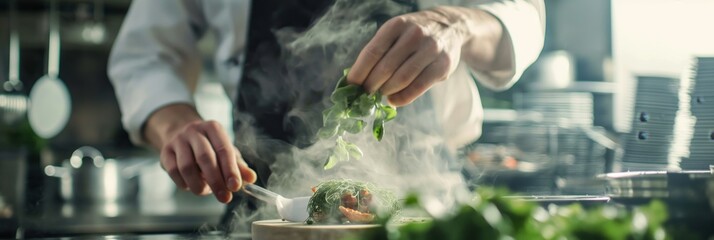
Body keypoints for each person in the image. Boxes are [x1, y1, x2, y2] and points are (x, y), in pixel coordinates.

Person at [108, 0, 544, 204]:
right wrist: (176, 124)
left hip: (428, 197)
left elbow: (524, 14)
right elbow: (143, 56)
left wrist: (457, 22)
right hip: (259, 195)